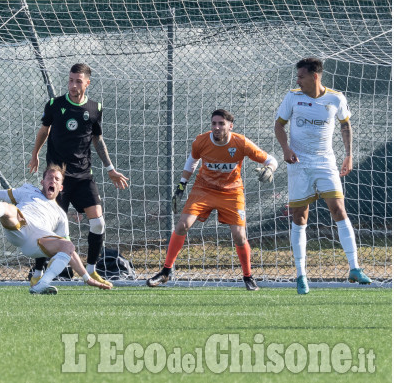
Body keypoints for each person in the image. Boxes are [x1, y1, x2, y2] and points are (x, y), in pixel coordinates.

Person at [147, 109, 278, 291]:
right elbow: (192, 162)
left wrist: (270, 169)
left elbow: (271, 160)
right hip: (204, 189)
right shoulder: (201, 140)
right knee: (182, 225)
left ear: (230, 126)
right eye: (214, 123)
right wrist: (181, 185)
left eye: (221, 124)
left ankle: (248, 277)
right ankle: (166, 272)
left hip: (232, 193)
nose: (216, 127)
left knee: (239, 235)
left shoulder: (240, 142)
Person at [274, 57, 372, 294]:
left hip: (325, 162)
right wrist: (286, 149)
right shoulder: (293, 97)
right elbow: (279, 125)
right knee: (300, 217)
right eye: (297, 77)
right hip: (299, 165)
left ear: (314, 76)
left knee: (339, 209)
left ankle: (355, 267)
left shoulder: (336, 98)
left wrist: (348, 155)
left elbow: (345, 125)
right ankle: (301, 275)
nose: (297, 80)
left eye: (301, 76)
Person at [28, 63, 129, 289]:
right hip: (58, 178)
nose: (73, 85)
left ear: (87, 83)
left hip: (84, 175)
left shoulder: (95, 108)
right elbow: (44, 130)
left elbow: (97, 139)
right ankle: (37, 272)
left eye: (78, 81)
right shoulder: (55, 105)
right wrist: (34, 155)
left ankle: (92, 271)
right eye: (70, 80)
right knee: (49, 228)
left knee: (98, 223)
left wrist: (110, 168)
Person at [0, 165, 112, 294]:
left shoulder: (61, 215)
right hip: (19, 225)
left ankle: (41, 285)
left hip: (37, 243)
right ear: (43, 182)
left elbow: (70, 253)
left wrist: (86, 277)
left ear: (61, 187)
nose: (53, 181)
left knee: (68, 246)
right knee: (8, 209)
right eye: (50, 178)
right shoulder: (28, 191)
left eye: (57, 179)